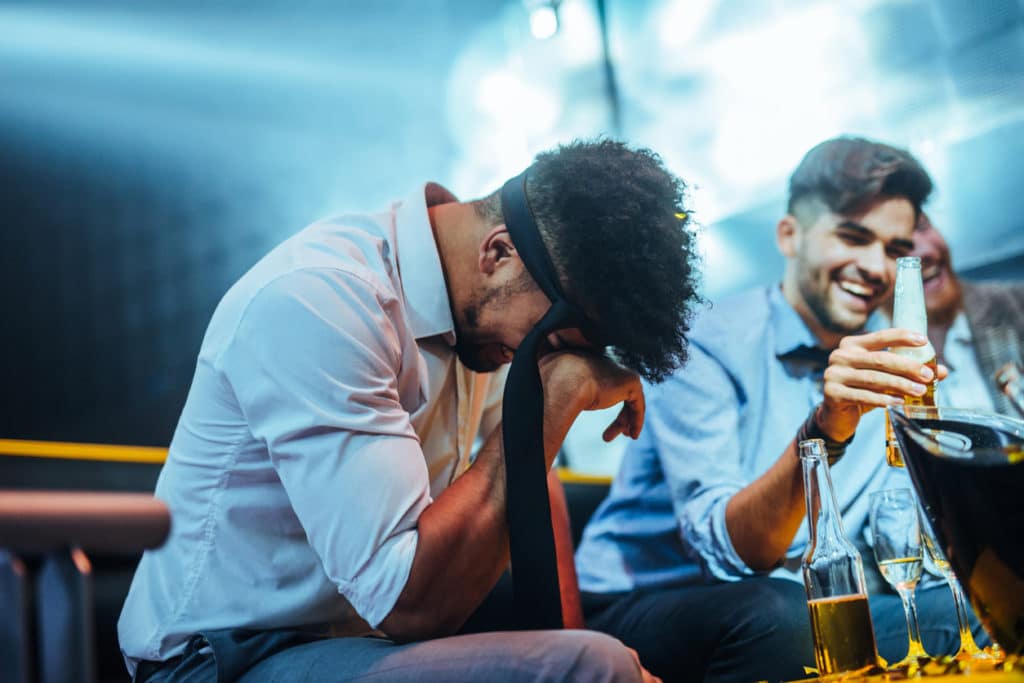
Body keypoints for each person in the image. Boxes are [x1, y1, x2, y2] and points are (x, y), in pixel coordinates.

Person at [118, 139, 702, 682]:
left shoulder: (480, 305)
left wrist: (565, 636)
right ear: (498, 252)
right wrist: (556, 401)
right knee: (594, 667)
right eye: (552, 340)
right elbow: (409, 603)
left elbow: (529, 470)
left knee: (607, 653)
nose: (552, 360)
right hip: (221, 658)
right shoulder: (322, 302)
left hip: (352, 634)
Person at [575, 136, 989, 683]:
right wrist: (827, 426)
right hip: (658, 600)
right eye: (852, 236)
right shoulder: (703, 345)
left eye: (893, 248)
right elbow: (735, 556)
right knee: (783, 620)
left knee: (986, 603)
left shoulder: (890, 353)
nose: (874, 267)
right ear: (789, 236)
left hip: (813, 598)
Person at [908, 212, 1024, 416]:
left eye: (922, 226)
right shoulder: (867, 367)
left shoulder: (1016, 304)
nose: (924, 251)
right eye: (896, 246)